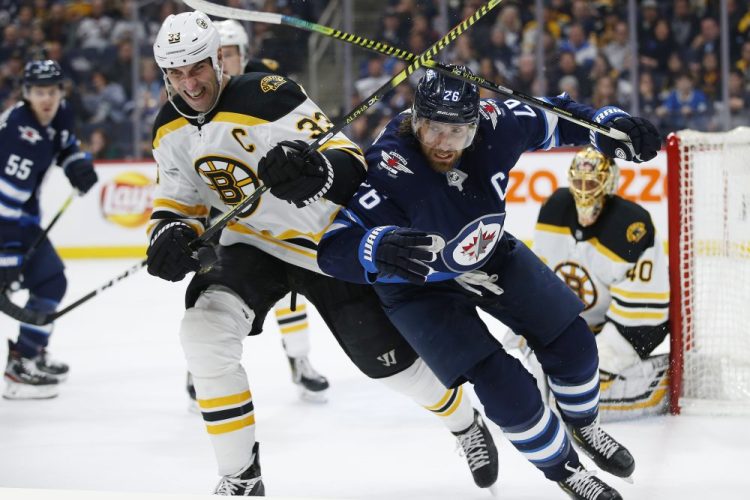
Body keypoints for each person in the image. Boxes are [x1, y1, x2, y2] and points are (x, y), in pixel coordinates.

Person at [148, 12, 497, 496]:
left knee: (388, 365)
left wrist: (315, 170)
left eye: (197, 69)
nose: (190, 84)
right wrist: (169, 233)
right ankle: (241, 478)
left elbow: (348, 158)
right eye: (177, 75)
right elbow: (179, 200)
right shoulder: (166, 128)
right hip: (252, 246)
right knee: (202, 332)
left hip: (322, 244)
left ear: (216, 62)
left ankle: (464, 421)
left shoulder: (268, 95)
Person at [314, 66, 661, 500]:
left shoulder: (500, 124)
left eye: (456, 132)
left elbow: (556, 117)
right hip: (417, 285)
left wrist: (605, 125)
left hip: (488, 252)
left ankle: (585, 426)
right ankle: (565, 470)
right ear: (415, 119)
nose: (442, 144)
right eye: (431, 129)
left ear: (476, 125)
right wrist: (374, 247)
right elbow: (332, 249)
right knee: (506, 389)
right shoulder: (392, 164)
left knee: (574, 343)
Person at [186, 19, 329, 405]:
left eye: (230, 53)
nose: (225, 61)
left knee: (289, 292)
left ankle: (299, 360)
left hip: (268, 207)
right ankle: (202, 366)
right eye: (219, 55)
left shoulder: (262, 81)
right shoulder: (192, 95)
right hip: (219, 210)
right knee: (210, 290)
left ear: (241, 54)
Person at [532, 147, 670, 421]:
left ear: (609, 183)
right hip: (578, 325)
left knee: (580, 399)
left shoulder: (631, 225)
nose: (585, 191)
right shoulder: (553, 209)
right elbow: (539, 279)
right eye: (579, 182)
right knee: (529, 383)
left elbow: (643, 311)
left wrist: (598, 351)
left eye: (592, 183)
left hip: (633, 325)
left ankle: (659, 382)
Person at [0, 60, 98, 400]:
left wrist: (77, 165)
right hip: (6, 218)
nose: (47, 98)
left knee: (50, 280)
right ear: (27, 94)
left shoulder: (60, 114)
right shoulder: (20, 134)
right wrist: (7, 258)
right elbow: (4, 204)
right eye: (39, 92)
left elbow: (66, 145)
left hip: (19, 218)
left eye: (53, 91)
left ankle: (28, 354)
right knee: (47, 279)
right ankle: (22, 363)